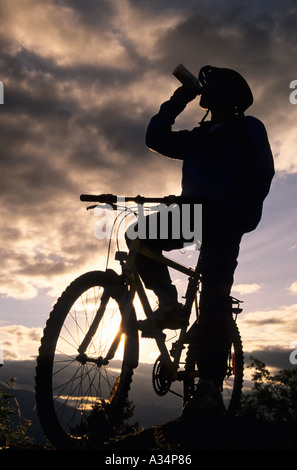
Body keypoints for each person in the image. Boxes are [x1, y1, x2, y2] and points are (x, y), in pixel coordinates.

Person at [126, 65, 274, 415]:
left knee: (214, 297)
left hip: (226, 220)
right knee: (139, 236)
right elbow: (155, 138)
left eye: (214, 83)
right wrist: (179, 99)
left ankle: (208, 386)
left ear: (232, 95)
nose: (205, 87)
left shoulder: (248, 127)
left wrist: (239, 210)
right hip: (195, 217)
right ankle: (169, 306)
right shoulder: (197, 137)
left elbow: (262, 173)